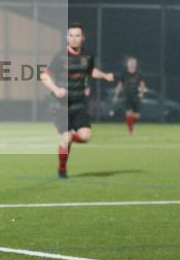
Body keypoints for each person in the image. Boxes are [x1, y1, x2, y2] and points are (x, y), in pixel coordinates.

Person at [41, 22, 115, 178]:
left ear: (83, 38)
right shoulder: (60, 56)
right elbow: (44, 75)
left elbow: (91, 71)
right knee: (66, 137)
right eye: (71, 35)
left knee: (85, 137)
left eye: (77, 36)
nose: (73, 39)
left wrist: (104, 75)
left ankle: (66, 141)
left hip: (79, 104)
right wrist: (56, 89)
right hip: (61, 105)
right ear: (67, 37)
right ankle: (62, 168)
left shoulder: (87, 56)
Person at [113, 56, 146, 135]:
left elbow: (142, 84)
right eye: (131, 63)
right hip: (127, 96)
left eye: (134, 63)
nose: (132, 64)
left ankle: (129, 124)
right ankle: (131, 131)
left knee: (137, 116)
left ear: (136, 64)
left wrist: (141, 93)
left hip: (136, 96)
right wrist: (116, 96)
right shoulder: (124, 74)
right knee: (129, 114)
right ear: (128, 64)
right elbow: (120, 85)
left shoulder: (139, 74)